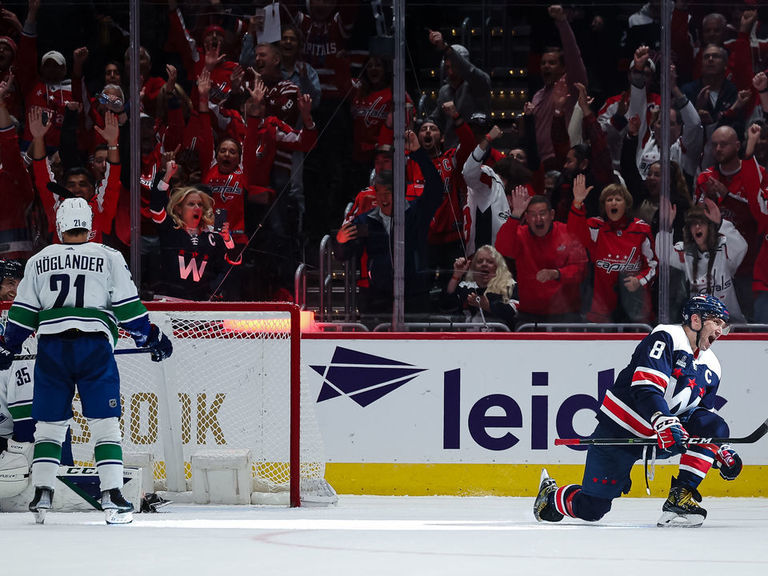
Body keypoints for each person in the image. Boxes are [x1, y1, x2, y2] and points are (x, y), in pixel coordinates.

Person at [0, 197, 173, 524]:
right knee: (105, 424)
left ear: (59, 224)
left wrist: (9, 346)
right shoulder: (108, 256)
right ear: (90, 224)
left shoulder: (39, 259)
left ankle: (42, 494)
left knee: (49, 426)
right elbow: (127, 307)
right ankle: (112, 494)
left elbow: (23, 312)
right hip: (94, 347)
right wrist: (149, 337)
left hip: (51, 349)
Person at [534, 294, 742, 528]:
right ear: (696, 320)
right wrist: (663, 420)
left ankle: (681, 498)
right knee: (593, 509)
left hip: (661, 437)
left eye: (723, 325)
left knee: (715, 426)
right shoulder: (666, 337)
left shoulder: (712, 365)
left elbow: (704, 418)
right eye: (716, 322)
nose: (720, 331)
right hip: (619, 431)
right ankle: (550, 497)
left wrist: (719, 450)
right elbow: (645, 388)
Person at [333, 130, 443, 321]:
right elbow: (344, 254)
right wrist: (341, 242)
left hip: (415, 294)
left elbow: (435, 187)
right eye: (380, 192)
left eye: (389, 192)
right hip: (379, 297)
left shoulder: (417, 213)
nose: (384, 197)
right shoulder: (364, 222)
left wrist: (417, 153)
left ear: (400, 192)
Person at [568, 177, 657, 324]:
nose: (613, 203)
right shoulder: (596, 227)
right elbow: (574, 235)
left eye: (618, 199)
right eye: (609, 200)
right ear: (604, 206)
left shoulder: (641, 230)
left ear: (626, 204)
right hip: (602, 311)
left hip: (635, 310)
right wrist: (577, 203)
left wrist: (639, 280)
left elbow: (653, 265)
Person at [150, 161, 241, 301]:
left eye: (200, 204)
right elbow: (156, 206)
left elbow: (231, 263)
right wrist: (166, 176)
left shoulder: (212, 235)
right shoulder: (170, 227)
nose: (197, 208)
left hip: (198, 303)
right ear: (179, 209)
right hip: (168, 299)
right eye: (191, 204)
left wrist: (227, 239)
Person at [495, 190, 588, 326]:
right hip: (529, 315)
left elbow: (581, 270)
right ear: (526, 217)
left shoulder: (566, 232)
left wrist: (557, 273)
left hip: (566, 314)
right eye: (533, 215)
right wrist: (515, 215)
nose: (538, 219)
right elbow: (502, 248)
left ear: (552, 215)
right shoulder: (520, 235)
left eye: (542, 214)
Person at [658, 199, 748, 323]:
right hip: (699, 326)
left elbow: (741, 246)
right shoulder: (685, 252)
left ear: (710, 227)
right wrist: (666, 227)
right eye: (693, 224)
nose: (697, 227)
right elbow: (664, 254)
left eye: (702, 223)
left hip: (731, 324)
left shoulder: (724, 247)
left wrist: (721, 223)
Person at [443, 245, 518, 330]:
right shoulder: (465, 286)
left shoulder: (510, 285)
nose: (484, 264)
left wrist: (488, 306)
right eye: (480, 261)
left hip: (500, 340)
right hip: (467, 340)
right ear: (474, 266)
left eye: (490, 261)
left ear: (498, 266)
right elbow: (446, 305)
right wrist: (456, 275)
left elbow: (513, 311)